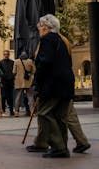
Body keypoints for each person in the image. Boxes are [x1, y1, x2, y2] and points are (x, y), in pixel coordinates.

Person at [27, 14, 75, 159]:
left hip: (52, 83)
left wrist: (37, 82)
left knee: (44, 113)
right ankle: (62, 147)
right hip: (66, 82)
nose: (39, 30)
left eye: (40, 27)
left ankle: (58, 146)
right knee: (60, 116)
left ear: (46, 27)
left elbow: (44, 62)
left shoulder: (47, 40)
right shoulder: (61, 39)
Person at [13, 51, 35, 116]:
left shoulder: (16, 61)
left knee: (18, 97)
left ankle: (16, 112)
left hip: (19, 81)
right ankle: (32, 112)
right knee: (30, 97)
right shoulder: (30, 61)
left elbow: (14, 71)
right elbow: (34, 71)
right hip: (28, 81)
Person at [0, 49, 15, 116]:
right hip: (3, 82)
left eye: (7, 54)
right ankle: (3, 111)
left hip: (10, 82)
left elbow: (14, 71)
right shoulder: (0, 62)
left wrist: (13, 78)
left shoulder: (12, 62)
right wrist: (0, 82)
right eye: (5, 54)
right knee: (3, 97)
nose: (6, 56)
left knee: (10, 97)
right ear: (3, 55)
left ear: (9, 55)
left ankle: (11, 111)